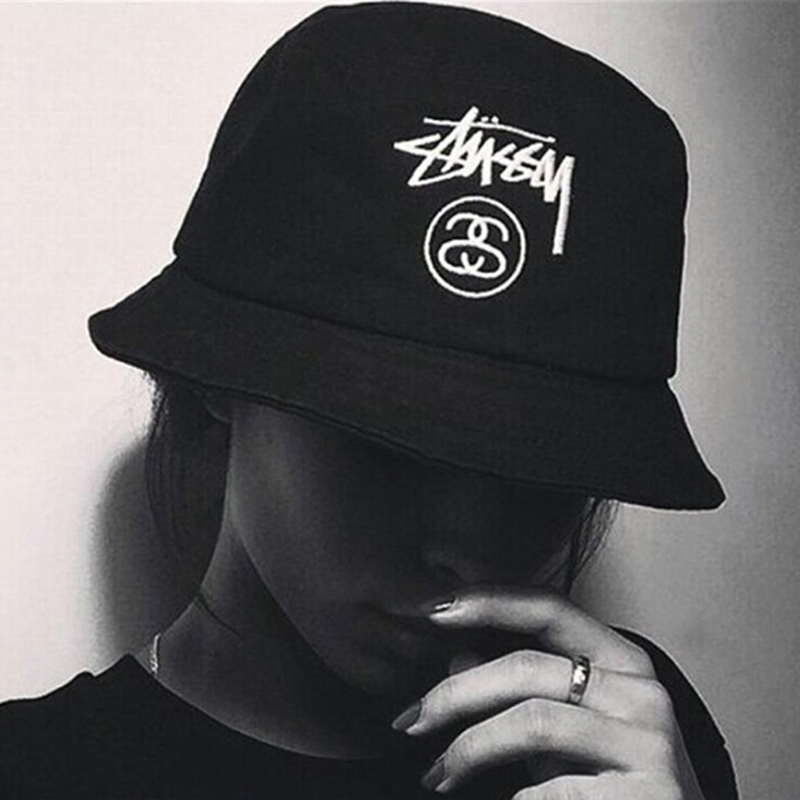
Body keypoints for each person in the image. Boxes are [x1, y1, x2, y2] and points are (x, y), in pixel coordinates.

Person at [0, 3, 739, 798]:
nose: (468, 547)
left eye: (539, 476)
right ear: (215, 374)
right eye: (389, 451)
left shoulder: (622, 741)